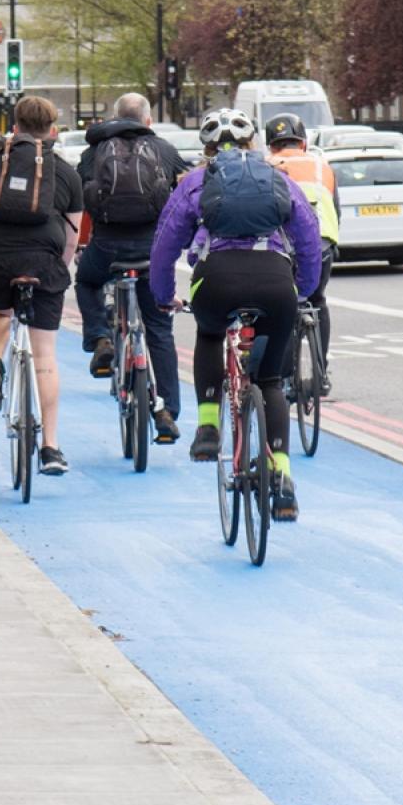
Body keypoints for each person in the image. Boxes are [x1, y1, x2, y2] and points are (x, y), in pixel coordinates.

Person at [150, 109, 325, 520]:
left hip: (218, 279)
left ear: (207, 149)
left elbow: (164, 245)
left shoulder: (196, 182)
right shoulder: (276, 178)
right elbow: (309, 236)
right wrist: (305, 289)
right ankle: (281, 477)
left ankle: (208, 427)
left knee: (210, 333)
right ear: (253, 145)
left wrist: (163, 296)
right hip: (275, 280)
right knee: (269, 382)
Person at [0, 96, 83, 476]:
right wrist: (57, 270)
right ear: (52, 130)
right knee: (45, 355)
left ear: (13, 126)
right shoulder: (65, 172)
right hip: (42, 262)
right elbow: (72, 235)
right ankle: (50, 447)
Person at [75, 93, 189, 445]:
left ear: (114, 117)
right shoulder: (164, 150)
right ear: (148, 120)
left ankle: (100, 338)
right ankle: (167, 410)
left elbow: (85, 198)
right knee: (158, 328)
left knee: (85, 281)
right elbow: (184, 192)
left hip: (107, 246)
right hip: (152, 251)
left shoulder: (94, 151)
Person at [263, 114, 340, 394]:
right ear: (303, 143)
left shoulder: (269, 166)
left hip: (287, 244)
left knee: (282, 307)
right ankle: (321, 372)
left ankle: (282, 376)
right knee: (318, 300)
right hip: (323, 243)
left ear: (271, 146)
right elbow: (335, 210)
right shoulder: (322, 165)